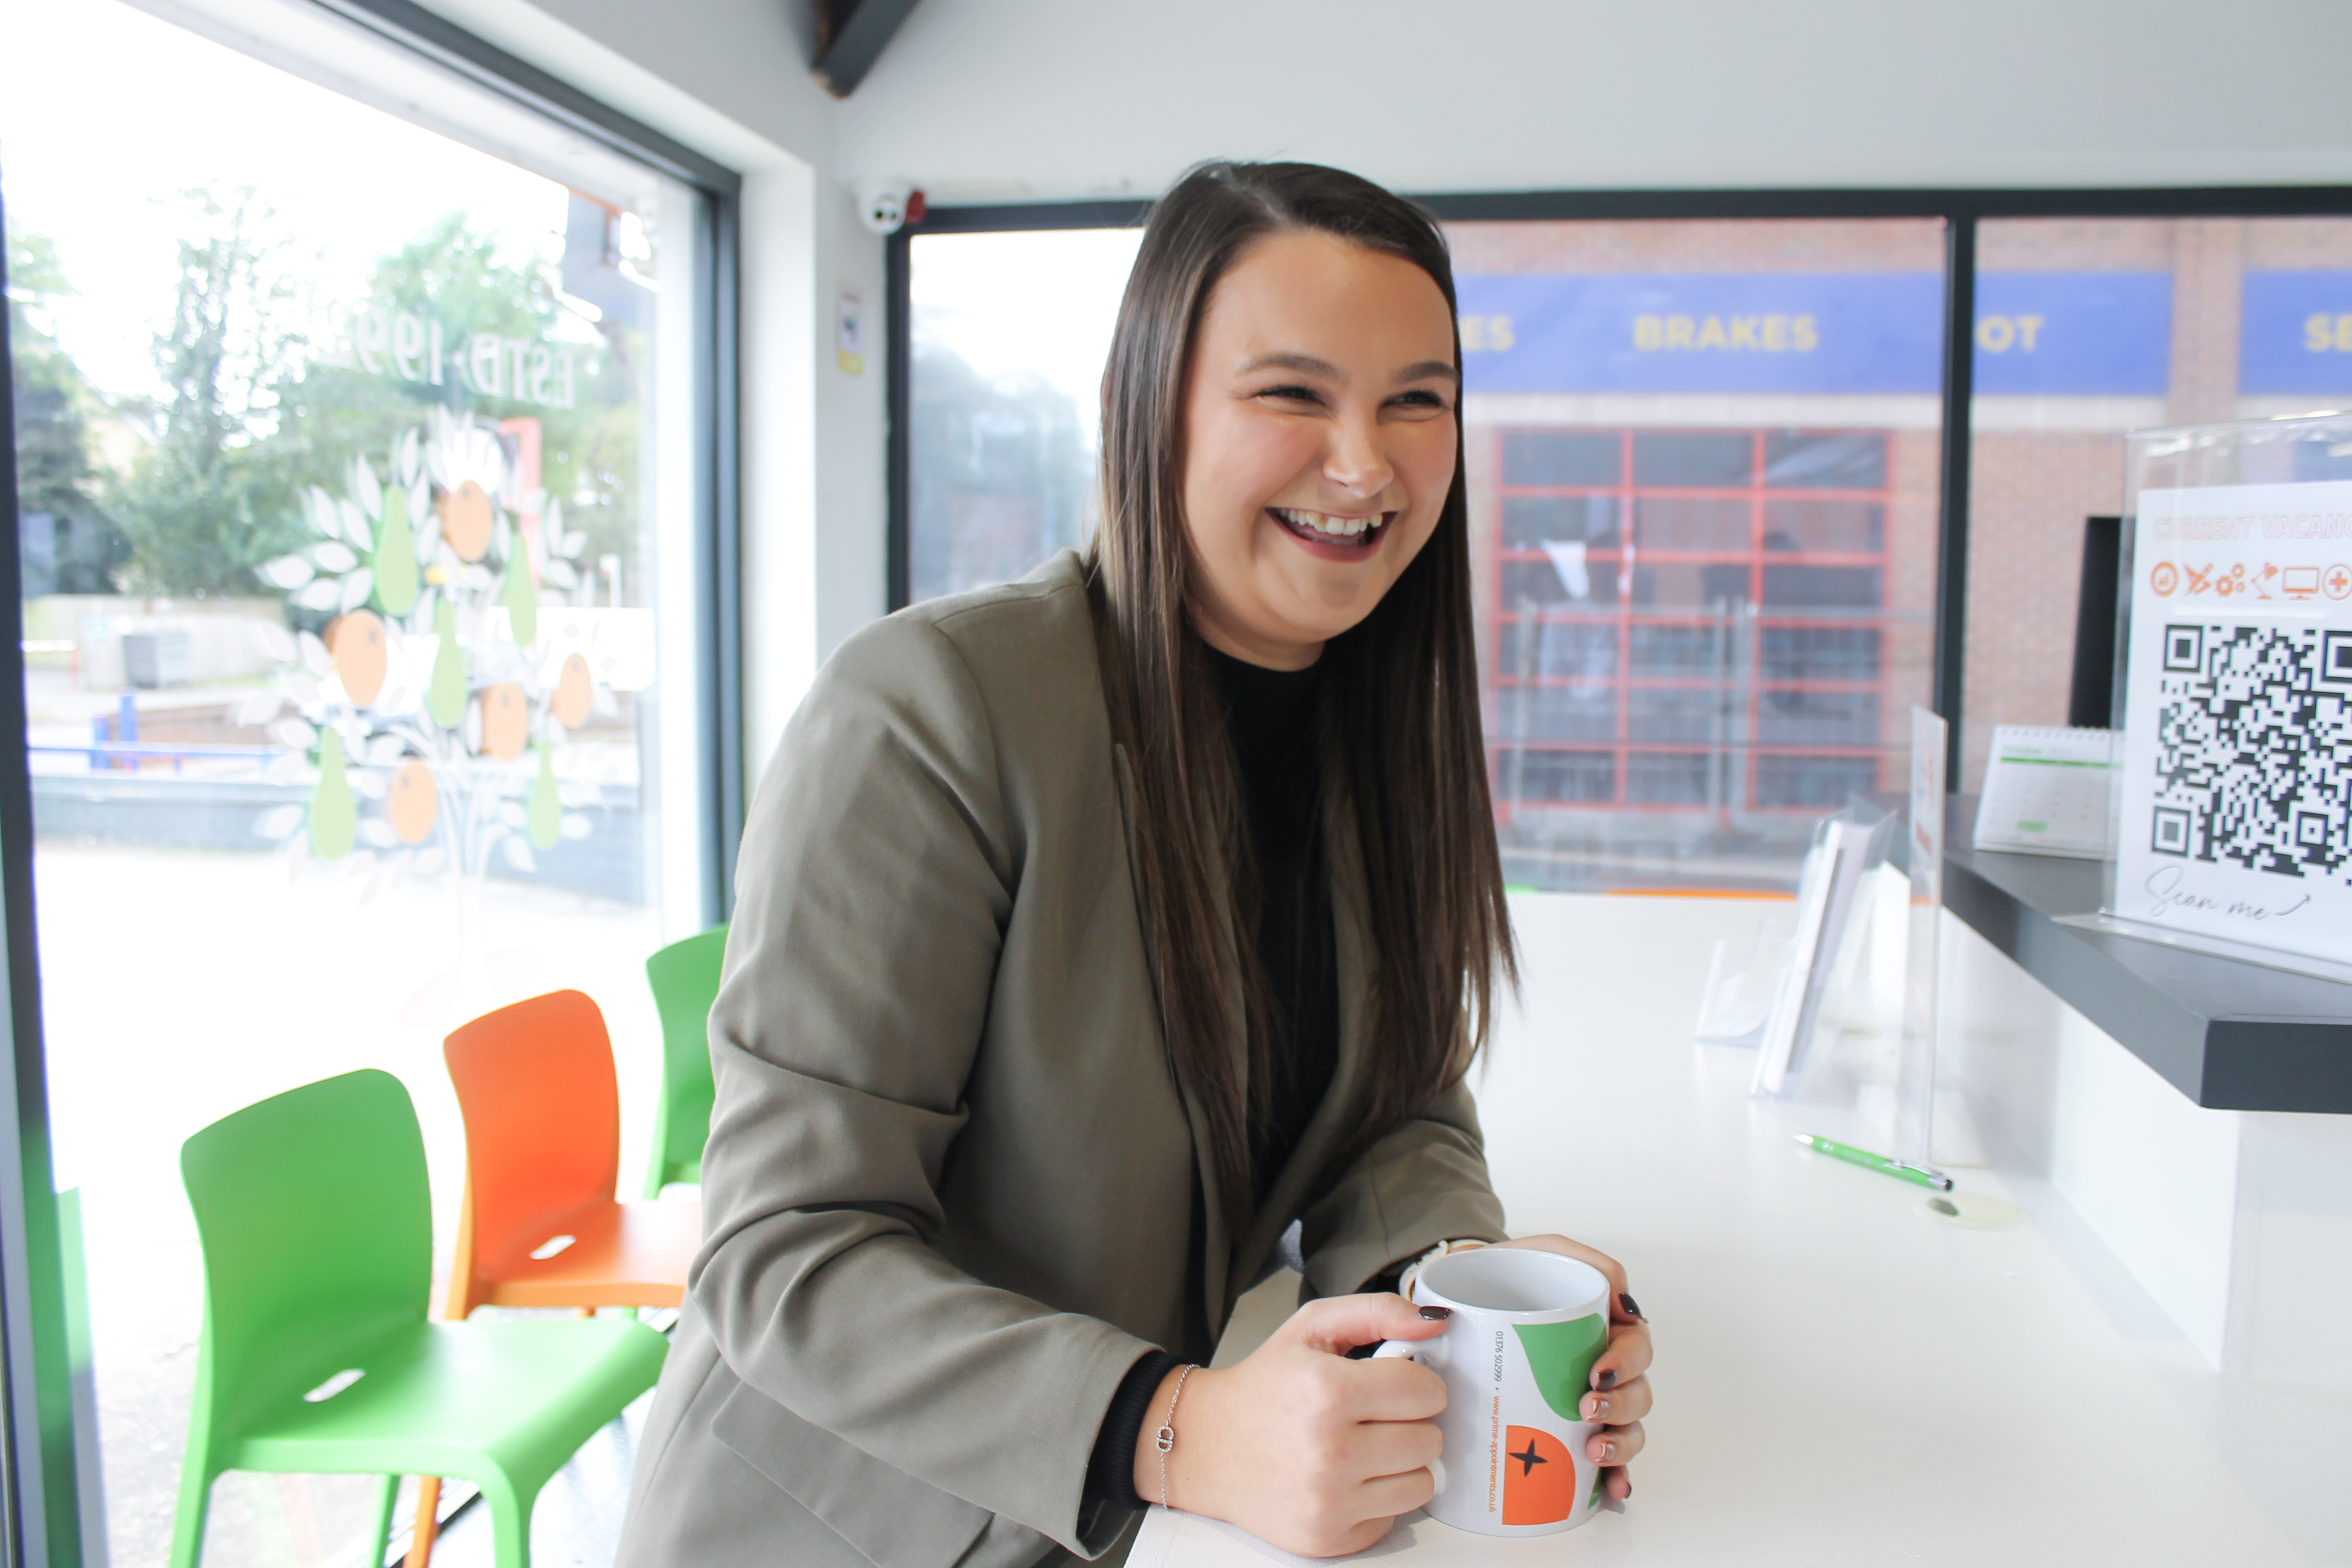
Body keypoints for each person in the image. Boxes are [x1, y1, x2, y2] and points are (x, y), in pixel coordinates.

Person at [615, 160, 1653, 1568]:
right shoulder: (934, 709)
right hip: (845, 1527)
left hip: (1130, 1528)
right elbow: (785, 1252)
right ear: (1141, 408)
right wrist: (1176, 1428)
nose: (1367, 461)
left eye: (1419, 399)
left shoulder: (1368, 729)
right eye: (1294, 393)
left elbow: (1393, 1109)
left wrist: (1453, 1301)